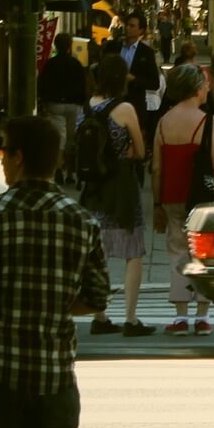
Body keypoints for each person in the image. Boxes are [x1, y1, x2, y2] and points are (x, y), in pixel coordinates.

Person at [0, 115, 110, 428]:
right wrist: (53, 301)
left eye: (3, 152)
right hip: (54, 381)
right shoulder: (82, 220)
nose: (2, 160)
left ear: (19, 158)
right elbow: (98, 297)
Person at [150, 63, 214, 336]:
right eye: (204, 84)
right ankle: (203, 316)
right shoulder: (207, 121)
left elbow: (157, 168)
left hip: (173, 195)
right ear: (196, 88)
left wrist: (157, 204)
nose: (207, 87)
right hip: (203, 198)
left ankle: (180, 316)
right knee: (205, 253)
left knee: (177, 251)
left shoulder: (163, 122)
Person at [82, 56, 152, 337]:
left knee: (97, 251)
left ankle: (100, 316)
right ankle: (131, 319)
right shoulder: (125, 108)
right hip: (122, 184)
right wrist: (131, 153)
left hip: (94, 186)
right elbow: (140, 149)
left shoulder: (88, 106)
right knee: (132, 251)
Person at [105, 13, 163, 145]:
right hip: (112, 100)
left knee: (134, 143)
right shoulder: (113, 47)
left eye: (132, 26)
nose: (128, 28)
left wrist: (134, 79)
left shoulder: (146, 53)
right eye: (127, 25)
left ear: (141, 30)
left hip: (135, 103)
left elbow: (154, 83)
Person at [39, 33, 89, 187]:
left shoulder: (50, 64)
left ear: (55, 45)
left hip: (55, 105)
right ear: (69, 46)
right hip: (74, 105)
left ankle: (58, 169)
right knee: (72, 139)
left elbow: (42, 84)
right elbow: (83, 85)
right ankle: (70, 173)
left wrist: (44, 101)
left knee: (59, 138)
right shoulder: (76, 64)